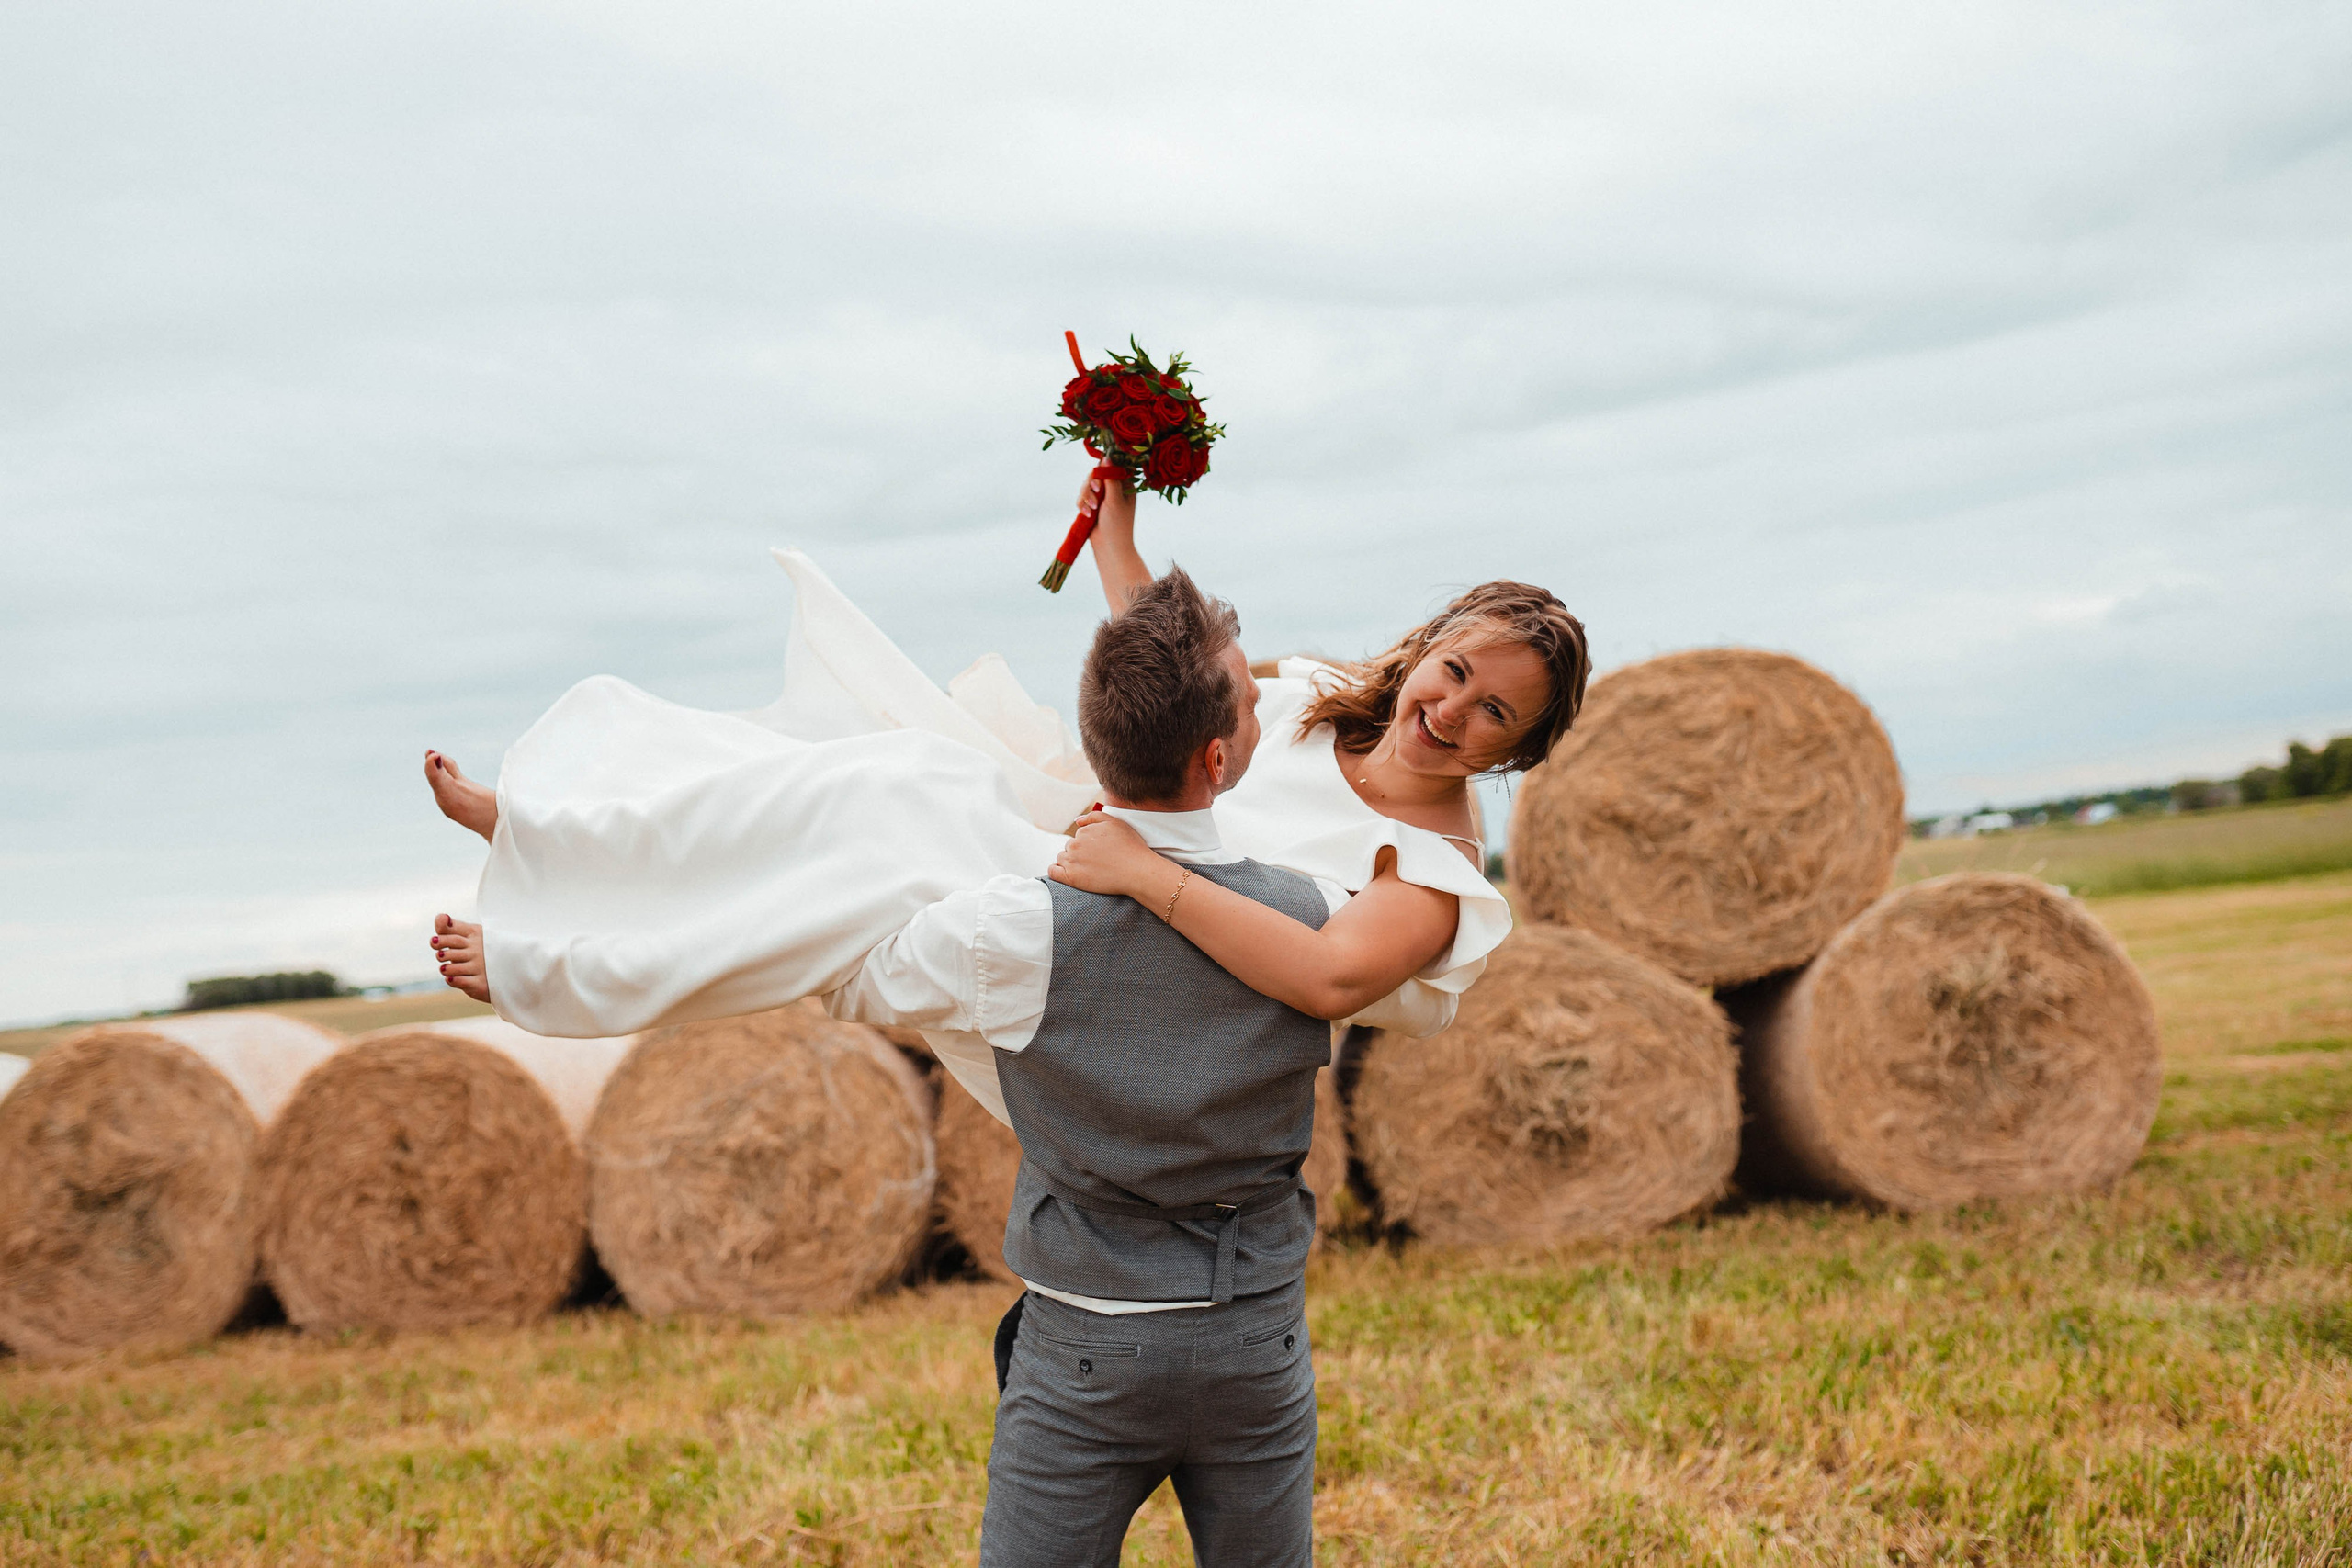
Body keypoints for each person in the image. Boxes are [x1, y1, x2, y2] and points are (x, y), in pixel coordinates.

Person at [424, 470, 1589, 1065]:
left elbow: (1331, 978)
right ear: (1425, 646)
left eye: (1494, 714)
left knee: (876, 858)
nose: (1451, 712)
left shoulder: (1436, 873)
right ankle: (557, 831)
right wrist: (1117, 529)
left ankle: (567, 971)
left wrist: (1141, 874)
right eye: (1452, 671)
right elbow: (1178, 673)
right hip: (1087, 857)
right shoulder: (1317, 705)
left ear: (1520, 749)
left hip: (1130, 965)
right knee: (868, 774)